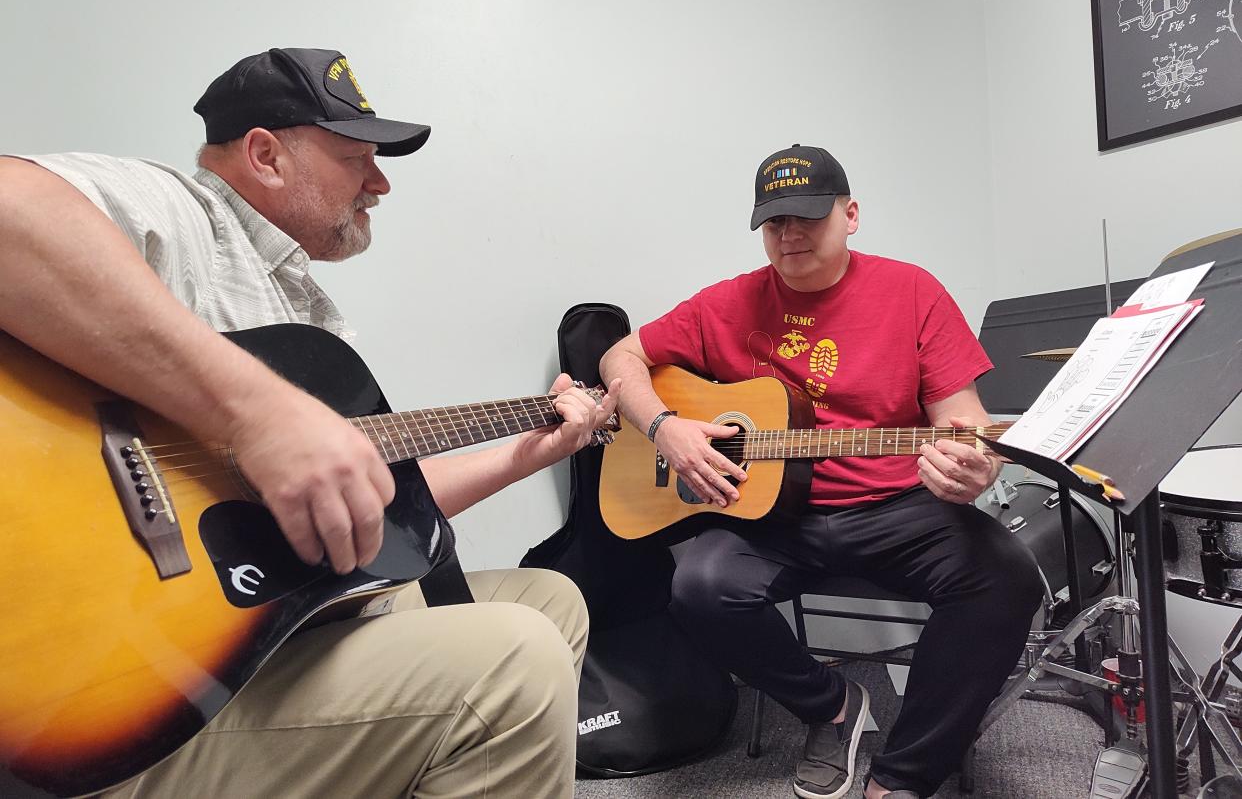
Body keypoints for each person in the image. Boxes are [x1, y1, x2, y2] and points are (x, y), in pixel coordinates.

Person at [0, 47, 619, 798]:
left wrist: (532, 453)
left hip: (261, 642)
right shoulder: (180, 215)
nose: (380, 183)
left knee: (551, 603)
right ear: (264, 155)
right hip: (117, 694)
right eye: (357, 157)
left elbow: (371, 512)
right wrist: (255, 413)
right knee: (515, 658)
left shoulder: (305, 317)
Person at [599, 144, 1042, 799]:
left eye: (807, 217)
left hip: (899, 507)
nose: (790, 235)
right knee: (698, 587)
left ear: (851, 214)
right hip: (774, 514)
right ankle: (832, 708)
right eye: (774, 222)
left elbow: (963, 420)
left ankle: (905, 772)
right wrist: (667, 429)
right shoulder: (726, 303)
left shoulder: (911, 291)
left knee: (1004, 580)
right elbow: (618, 358)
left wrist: (976, 467)